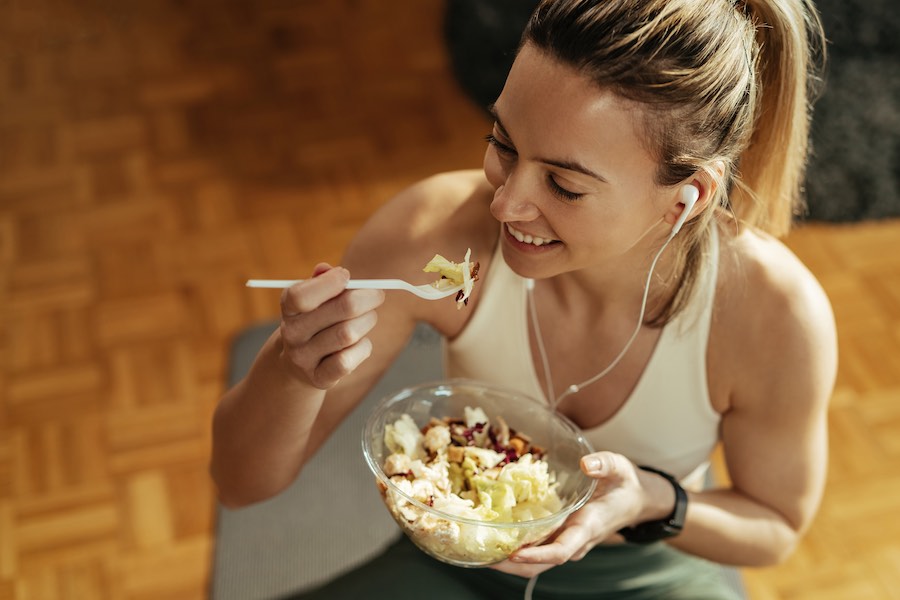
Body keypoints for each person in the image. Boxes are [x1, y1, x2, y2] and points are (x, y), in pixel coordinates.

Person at [211, 0, 836, 597]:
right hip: (454, 562)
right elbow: (240, 485)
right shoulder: (428, 234)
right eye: (503, 144)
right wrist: (292, 373)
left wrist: (651, 499)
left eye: (563, 185)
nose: (505, 204)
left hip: (638, 572)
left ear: (687, 196)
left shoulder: (774, 315)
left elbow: (775, 528)